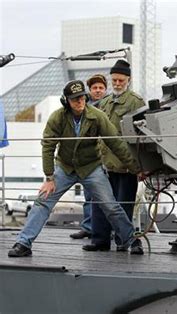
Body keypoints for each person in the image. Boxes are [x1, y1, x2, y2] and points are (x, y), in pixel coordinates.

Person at [8, 80, 143, 257]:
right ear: (66, 101)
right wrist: (49, 178)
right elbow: (48, 146)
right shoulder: (57, 117)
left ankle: (132, 240)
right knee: (42, 202)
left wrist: (136, 168)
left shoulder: (97, 116)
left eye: (81, 98)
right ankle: (23, 243)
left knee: (111, 206)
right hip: (65, 167)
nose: (79, 102)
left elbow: (116, 143)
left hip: (91, 167)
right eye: (74, 99)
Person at [84, 60, 145, 253]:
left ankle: (122, 240)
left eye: (120, 80)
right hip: (104, 162)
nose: (117, 84)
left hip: (125, 163)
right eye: (114, 80)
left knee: (122, 204)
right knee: (99, 203)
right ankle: (100, 240)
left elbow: (141, 133)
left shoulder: (136, 101)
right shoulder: (106, 101)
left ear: (128, 80)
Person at [69, 74, 108, 240]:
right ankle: (88, 227)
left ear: (105, 90)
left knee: (105, 197)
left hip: (104, 157)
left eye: (100, 88)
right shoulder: (81, 107)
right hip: (88, 157)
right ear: (89, 91)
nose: (98, 91)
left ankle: (104, 229)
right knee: (88, 196)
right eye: (94, 88)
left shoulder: (108, 105)